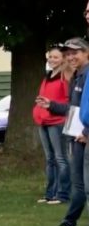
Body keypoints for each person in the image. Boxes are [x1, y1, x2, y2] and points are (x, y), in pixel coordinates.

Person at [38, 39, 89, 226]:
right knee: (79, 185)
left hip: (85, 136)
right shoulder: (77, 76)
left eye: (75, 53)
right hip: (77, 137)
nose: (70, 57)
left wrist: (87, 131)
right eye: (67, 54)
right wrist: (51, 105)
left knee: (84, 185)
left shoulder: (87, 75)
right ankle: (70, 223)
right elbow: (74, 110)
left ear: (86, 52)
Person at [33, 45, 71, 205]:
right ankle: (50, 194)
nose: (52, 59)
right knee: (50, 159)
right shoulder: (48, 76)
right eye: (50, 56)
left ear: (63, 59)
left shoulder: (65, 76)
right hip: (43, 121)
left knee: (61, 158)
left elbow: (69, 102)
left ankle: (63, 194)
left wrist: (51, 105)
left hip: (57, 122)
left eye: (56, 57)